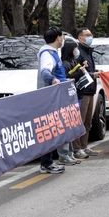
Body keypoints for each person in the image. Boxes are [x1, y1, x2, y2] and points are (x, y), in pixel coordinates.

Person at [37, 26, 67, 174]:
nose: (62, 39)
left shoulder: (53, 53)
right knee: (48, 130)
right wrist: (53, 80)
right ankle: (46, 163)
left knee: (52, 129)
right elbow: (45, 72)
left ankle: (48, 161)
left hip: (54, 97)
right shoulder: (47, 54)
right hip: (48, 98)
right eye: (61, 36)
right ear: (57, 38)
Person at [74, 27, 102, 157]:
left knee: (88, 121)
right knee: (80, 119)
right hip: (83, 91)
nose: (90, 37)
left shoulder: (88, 51)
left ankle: (84, 146)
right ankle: (77, 148)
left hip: (91, 89)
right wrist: (93, 74)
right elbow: (78, 71)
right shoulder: (78, 52)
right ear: (80, 38)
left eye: (91, 34)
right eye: (87, 35)